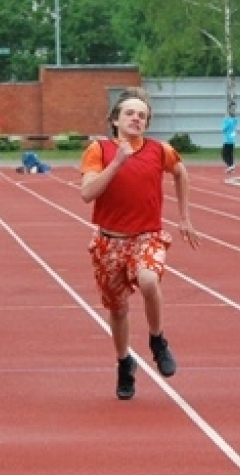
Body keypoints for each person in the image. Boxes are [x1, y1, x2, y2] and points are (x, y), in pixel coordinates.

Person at [79, 88, 201, 400]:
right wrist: (117, 163)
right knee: (118, 310)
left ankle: (157, 340)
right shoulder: (99, 150)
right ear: (115, 120)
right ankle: (125, 363)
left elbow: (181, 173)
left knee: (148, 279)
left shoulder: (159, 150)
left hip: (147, 236)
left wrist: (184, 217)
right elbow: (87, 193)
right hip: (109, 242)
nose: (136, 118)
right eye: (130, 113)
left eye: (142, 115)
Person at [221, 106, 238, 174]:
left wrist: (225, 120)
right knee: (230, 155)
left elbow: (224, 129)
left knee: (224, 155)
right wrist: (231, 111)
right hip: (232, 141)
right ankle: (231, 169)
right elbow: (234, 119)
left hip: (227, 141)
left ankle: (231, 166)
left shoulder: (228, 121)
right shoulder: (234, 121)